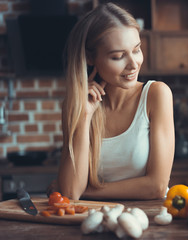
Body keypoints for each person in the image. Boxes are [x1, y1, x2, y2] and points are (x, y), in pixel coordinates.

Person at [57, 2, 175, 200]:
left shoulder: (156, 94)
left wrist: (86, 191)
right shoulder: (77, 105)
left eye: (136, 50)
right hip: (92, 222)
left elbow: (156, 186)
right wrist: (84, 116)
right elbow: (69, 192)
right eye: (118, 56)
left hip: (147, 222)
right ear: (90, 58)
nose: (133, 64)